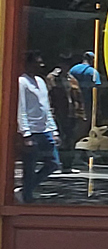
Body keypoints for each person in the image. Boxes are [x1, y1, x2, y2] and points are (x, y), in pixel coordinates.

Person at [16, 52, 59, 201]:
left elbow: (46, 107)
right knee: (29, 166)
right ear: (28, 64)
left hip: (45, 130)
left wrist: (54, 130)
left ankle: (26, 189)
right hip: (32, 131)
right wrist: (26, 133)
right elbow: (21, 108)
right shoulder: (22, 82)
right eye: (37, 62)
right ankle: (27, 197)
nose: (41, 65)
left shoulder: (41, 81)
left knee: (53, 163)